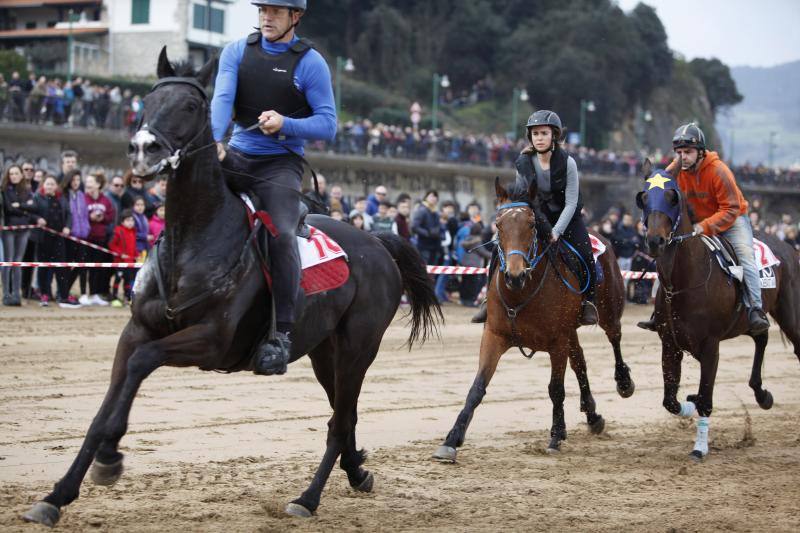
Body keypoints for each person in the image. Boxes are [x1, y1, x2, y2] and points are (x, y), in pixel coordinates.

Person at [211, 0, 336, 376]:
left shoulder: (311, 62)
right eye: (263, 9)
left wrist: (286, 123)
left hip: (279, 164)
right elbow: (221, 98)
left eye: (276, 11)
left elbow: (328, 125)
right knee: (191, 198)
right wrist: (216, 139)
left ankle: (281, 334)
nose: (267, 16)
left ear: (295, 17)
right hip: (234, 155)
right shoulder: (236, 51)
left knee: (281, 235)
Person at [636, 123, 770, 334]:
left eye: (688, 152)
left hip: (732, 219)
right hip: (698, 220)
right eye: (679, 153)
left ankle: (755, 309)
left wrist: (703, 226)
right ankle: (659, 312)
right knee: (667, 255)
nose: (683, 157)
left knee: (745, 255)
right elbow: (657, 186)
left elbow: (731, 208)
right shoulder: (676, 169)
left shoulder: (719, 171)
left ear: (700, 152)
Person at [472, 110, 597, 325]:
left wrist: (556, 231)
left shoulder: (569, 163)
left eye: (544, 133)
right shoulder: (523, 162)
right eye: (535, 134)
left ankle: (588, 302)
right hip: (537, 215)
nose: (539, 138)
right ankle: (488, 300)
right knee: (497, 248)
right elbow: (524, 198)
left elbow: (571, 203)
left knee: (586, 253)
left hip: (568, 216)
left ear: (554, 136)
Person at [33, 174, 79, 308]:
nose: (50, 186)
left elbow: (69, 214)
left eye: (52, 184)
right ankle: (44, 294)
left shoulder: (61, 198)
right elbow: (31, 213)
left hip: (59, 238)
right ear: (43, 185)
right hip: (43, 238)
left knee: (61, 267)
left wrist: (67, 227)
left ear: (56, 186)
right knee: (43, 268)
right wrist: (37, 219)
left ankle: (63, 295)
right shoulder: (37, 197)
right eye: (47, 184)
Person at [2, 164, 43, 305]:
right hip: (9, 229)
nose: (14, 176)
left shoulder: (27, 190)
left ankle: (16, 295)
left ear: (21, 175)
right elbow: (8, 208)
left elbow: (34, 207)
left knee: (18, 262)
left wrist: (19, 206)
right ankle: (6, 294)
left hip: (24, 230)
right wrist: (25, 209)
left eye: (16, 173)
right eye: (11, 173)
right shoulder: (5, 190)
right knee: (8, 261)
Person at [84, 173, 115, 305]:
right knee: (84, 267)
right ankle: (84, 293)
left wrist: (102, 217)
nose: (89, 185)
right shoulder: (84, 198)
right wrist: (89, 217)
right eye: (87, 182)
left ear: (98, 184)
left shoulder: (105, 200)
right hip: (86, 238)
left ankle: (95, 293)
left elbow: (111, 215)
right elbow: (79, 214)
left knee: (97, 267)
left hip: (100, 238)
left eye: (91, 181)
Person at [61, 169, 90, 304]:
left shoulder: (81, 195)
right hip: (69, 237)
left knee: (80, 265)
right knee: (67, 265)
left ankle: (66, 290)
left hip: (82, 236)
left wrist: (86, 229)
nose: (75, 182)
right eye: (73, 180)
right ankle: (63, 292)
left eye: (78, 180)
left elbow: (83, 215)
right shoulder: (64, 195)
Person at [109, 209, 138, 306]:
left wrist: (136, 255)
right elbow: (112, 244)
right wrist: (120, 253)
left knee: (128, 280)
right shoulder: (118, 231)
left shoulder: (133, 232)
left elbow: (134, 246)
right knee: (118, 279)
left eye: (132, 220)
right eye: (128, 220)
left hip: (130, 262)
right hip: (120, 262)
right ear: (122, 221)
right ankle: (114, 297)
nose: (130, 223)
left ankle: (127, 297)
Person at [411, 190, 442, 268]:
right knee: (425, 269)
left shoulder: (435, 211)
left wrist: (438, 231)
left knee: (433, 270)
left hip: (435, 245)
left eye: (435, 196)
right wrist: (427, 233)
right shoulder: (422, 210)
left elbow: (438, 226)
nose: (433, 198)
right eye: (431, 196)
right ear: (426, 197)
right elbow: (414, 226)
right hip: (424, 245)